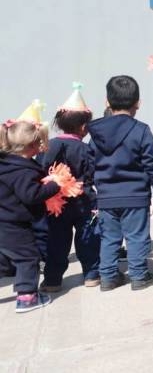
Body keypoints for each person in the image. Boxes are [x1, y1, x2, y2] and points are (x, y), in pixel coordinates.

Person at [88, 75, 153, 291]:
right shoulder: (141, 130)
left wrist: (90, 189)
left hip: (106, 196)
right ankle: (139, 276)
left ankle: (108, 277)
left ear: (107, 102)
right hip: (135, 195)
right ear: (138, 103)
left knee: (109, 238)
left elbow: (88, 162)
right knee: (137, 236)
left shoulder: (96, 133)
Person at [39, 84, 100, 292]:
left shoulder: (51, 145)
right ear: (84, 127)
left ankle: (53, 280)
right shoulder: (86, 148)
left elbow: (41, 169)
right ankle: (91, 275)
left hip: (56, 203)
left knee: (56, 241)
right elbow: (92, 174)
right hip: (83, 201)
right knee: (87, 239)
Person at [0, 119, 59, 313]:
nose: (42, 146)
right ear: (30, 145)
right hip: (15, 225)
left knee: (5, 260)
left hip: (4, 222)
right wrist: (54, 185)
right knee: (28, 258)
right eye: (40, 142)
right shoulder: (22, 171)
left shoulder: (7, 164)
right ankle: (27, 297)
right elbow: (31, 195)